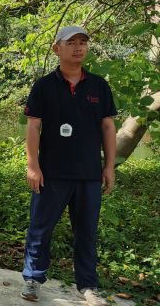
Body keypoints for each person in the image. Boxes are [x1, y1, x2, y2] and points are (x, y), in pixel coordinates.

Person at [20, 25, 116, 306]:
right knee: (40, 229)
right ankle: (33, 279)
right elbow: (33, 126)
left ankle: (87, 286)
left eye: (83, 42)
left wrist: (109, 166)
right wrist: (33, 165)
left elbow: (108, 127)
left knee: (86, 232)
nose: (78, 47)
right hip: (51, 173)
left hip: (88, 174)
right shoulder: (44, 86)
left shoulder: (99, 86)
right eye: (71, 42)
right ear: (56, 49)